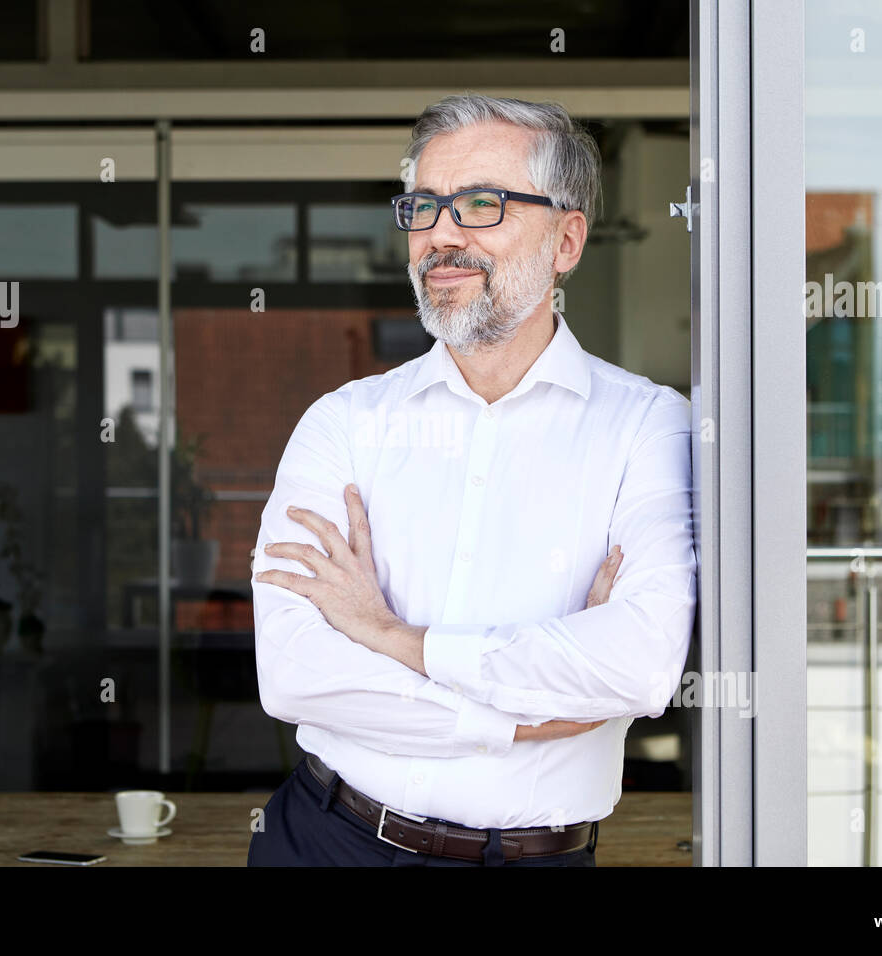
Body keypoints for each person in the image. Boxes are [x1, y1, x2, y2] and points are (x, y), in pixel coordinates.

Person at [247, 93, 697, 866]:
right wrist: (521, 719)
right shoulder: (345, 423)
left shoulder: (650, 425)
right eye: (422, 207)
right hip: (328, 840)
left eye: (481, 204)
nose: (441, 235)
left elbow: (639, 663)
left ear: (567, 239)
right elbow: (294, 675)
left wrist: (394, 639)